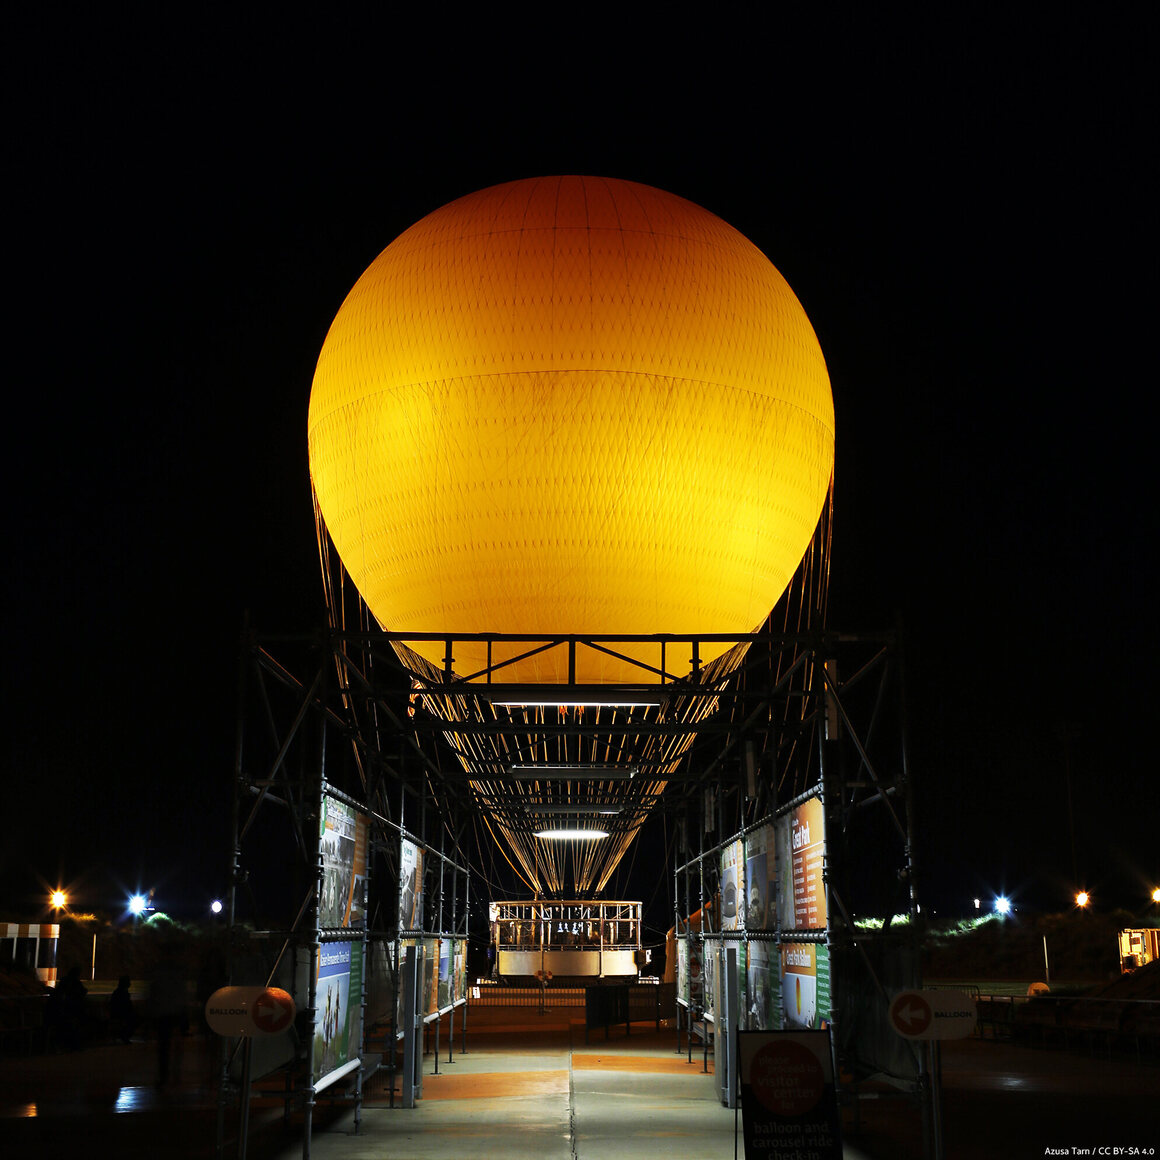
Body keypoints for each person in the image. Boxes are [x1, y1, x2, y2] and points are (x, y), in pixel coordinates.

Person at [108, 975, 137, 1043]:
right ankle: (124, 1036)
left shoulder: (119, 992)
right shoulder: (123, 993)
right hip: (121, 1014)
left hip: (118, 1013)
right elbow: (126, 1005)